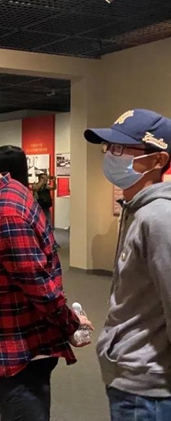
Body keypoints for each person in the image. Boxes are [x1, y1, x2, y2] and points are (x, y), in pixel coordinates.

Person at [0, 129, 92, 421]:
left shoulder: (5, 211)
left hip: (21, 349)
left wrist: (70, 324)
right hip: (13, 342)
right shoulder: (1, 197)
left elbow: (37, 284)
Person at [83, 109, 171, 420]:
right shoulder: (136, 210)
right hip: (131, 377)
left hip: (147, 389)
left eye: (121, 148)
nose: (111, 155)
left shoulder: (159, 218)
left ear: (158, 160)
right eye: (109, 147)